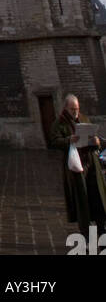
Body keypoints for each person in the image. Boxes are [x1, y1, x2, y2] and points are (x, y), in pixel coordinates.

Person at [49, 93, 106, 235]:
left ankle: (102, 230)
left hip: (91, 164)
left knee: (97, 197)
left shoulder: (84, 118)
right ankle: (86, 234)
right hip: (76, 166)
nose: (75, 112)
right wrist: (69, 140)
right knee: (82, 199)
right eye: (72, 109)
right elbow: (53, 142)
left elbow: (93, 138)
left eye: (77, 109)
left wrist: (96, 142)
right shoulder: (59, 123)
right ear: (66, 108)